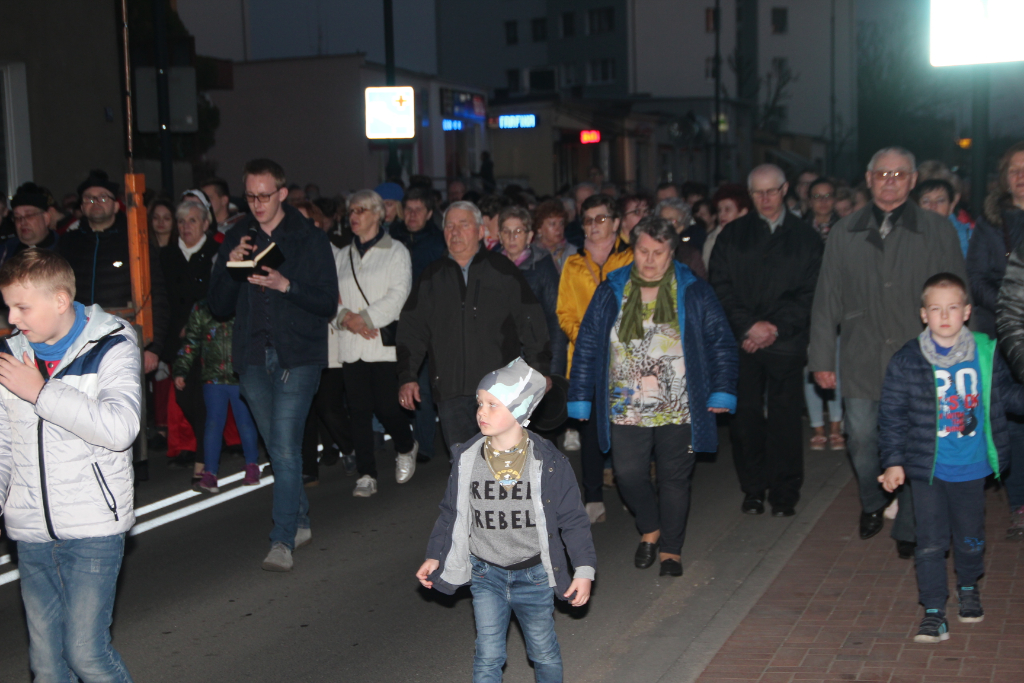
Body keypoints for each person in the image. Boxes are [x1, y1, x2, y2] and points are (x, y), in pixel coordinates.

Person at [809, 147, 969, 557]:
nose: (890, 180)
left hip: (920, 355)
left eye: (899, 173)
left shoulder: (937, 230)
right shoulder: (845, 231)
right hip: (861, 354)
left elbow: (956, 293)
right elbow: (826, 298)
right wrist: (822, 360)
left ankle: (911, 526)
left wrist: (960, 354)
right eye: (882, 173)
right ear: (869, 178)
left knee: (919, 443)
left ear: (913, 180)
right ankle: (873, 500)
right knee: (861, 438)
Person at [567, 217, 737, 576]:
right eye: (643, 251)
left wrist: (722, 389)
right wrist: (580, 396)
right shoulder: (612, 288)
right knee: (628, 475)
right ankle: (650, 525)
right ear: (634, 249)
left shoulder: (693, 290)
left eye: (658, 253)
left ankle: (670, 550)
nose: (649, 259)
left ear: (672, 252)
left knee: (674, 478)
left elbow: (720, 341)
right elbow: (587, 346)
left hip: (681, 402)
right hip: (625, 403)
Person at [0, 248, 140, 681]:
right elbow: (4, 441)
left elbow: (121, 427)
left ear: (60, 300)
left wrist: (41, 393)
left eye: (22, 307)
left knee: (86, 654)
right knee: (46, 664)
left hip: (93, 528)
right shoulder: (11, 353)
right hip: (31, 530)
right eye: (7, 306)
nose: (12, 317)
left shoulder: (112, 344)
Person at [415, 358, 595, 683]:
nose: (481, 412)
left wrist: (583, 569)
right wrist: (434, 555)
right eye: (479, 403)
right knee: (488, 655)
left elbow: (573, 520)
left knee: (543, 651)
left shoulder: (548, 462)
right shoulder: (468, 459)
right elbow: (450, 513)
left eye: (492, 405)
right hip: (486, 574)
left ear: (520, 410)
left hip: (535, 575)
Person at [208, 158, 339, 572]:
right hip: (251, 357)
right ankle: (299, 518)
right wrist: (231, 264)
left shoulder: (307, 239)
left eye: (265, 195)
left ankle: (281, 539)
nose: (258, 203)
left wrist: (287, 286)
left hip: (297, 356)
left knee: (283, 446)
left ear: (282, 193)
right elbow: (218, 306)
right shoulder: (237, 236)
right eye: (250, 196)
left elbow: (325, 302)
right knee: (280, 451)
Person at [879, 273, 1024, 642]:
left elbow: (1008, 396)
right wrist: (893, 461)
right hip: (928, 469)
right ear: (924, 315)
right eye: (936, 309)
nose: (945, 315)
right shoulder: (908, 359)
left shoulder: (986, 353)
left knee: (971, 537)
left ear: (967, 312)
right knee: (929, 541)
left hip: (972, 467)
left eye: (953, 307)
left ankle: (970, 588)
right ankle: (932, 610)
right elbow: (892, 414)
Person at [711, 164, 823, 517]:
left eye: (772, 191)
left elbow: (812, 292)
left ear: (785, 189)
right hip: (742, 343)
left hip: (785, 341)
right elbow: (720, 286)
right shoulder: (733, 235)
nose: (766, 199)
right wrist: (748, 326)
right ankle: (754, 488)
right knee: (745, 419)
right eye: (758, 192)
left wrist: (772, 327)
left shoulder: (806, 237)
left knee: (785, 419)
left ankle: (785, 491)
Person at [396, 201, 551, 457]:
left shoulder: (502, 270)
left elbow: (531, 321)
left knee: (502, 464)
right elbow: (412, 330)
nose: (454, 231)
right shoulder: (432, 276)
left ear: (480, 231)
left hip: (498, 391)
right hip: (451, 389)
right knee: (465, 465)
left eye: (463, 224)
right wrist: (407, 376)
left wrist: (541, 370)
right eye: (449, 226)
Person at [557, 194, 634, 522]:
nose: (593, 226)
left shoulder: (633, 258)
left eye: (600, 219)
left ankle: (633, 491)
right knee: (589, 431)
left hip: (627, 360)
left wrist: (616, 340)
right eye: (587, 220)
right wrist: (590, 341)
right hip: (586, 362)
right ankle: (592, 497)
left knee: (628, 429)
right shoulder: (573, 263)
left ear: (616, 223)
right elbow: (565, 312)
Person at [337, 189, 416, 497]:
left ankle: (406, 445)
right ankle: (366, 473)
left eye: (360, 211)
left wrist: (365, 319)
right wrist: (345, 317)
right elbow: (330, 295)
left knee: (387, 407)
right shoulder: (342, 255)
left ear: (377, 214)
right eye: (351, 211)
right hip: (351, 344)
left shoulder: (396, 250)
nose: (353, 216)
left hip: (381, 344)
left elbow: (399, 295)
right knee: (357, 411)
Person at [59, 170, 169, 376]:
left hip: (122, 341)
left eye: (102, 197)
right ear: (81, 206)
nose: (95, 202)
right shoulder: (68, 244)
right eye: (89, 199)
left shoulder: (135, 242)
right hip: (76, 343)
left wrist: (153, 348)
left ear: (116, 205)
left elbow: (157, 296)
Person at [977, 142, 1024, 540]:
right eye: (1015, 170)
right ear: (1004, 177)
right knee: (1012, 421)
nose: (1022, 177)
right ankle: (1020, 503)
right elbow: (975, 277)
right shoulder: (991, 223)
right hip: (1005, 336)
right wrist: (1013, 305)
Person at [161, 193, 222, 479]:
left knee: (202, 399)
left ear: (206, 223)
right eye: (182, 221)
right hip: (178, 339)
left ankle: (203, 461)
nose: (186, 227)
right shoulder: (167, 255)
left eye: (193, 221)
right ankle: (208, 446)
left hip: (208, 338)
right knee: (185, 398)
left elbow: (219, 295)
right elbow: (163, 300)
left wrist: (196, 324)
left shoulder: (215, 252)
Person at [173, 301, 261, 491]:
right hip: (213, 377)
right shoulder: (202, 308)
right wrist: (181, 370)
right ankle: (210, 473)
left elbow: (256, 335)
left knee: (245, 421)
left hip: (239, 374)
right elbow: (191, 341)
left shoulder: (244, 302)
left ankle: (252, 465)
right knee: (212, 423)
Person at [390, 186, 446, 464]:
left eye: (418, 210)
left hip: (430, 322)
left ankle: (425, 444)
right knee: (403, 380)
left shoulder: (438, 243)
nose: (411, 215)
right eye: (408, 209)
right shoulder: (393, 239)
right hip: (396, 320)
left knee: (424, 383)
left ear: (429, 213)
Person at [497, 205, 567, 376]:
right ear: (499, 236)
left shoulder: (542, 265)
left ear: (529, 236)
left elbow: (554, 318)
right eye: (506, 232)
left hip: (533, 360)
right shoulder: (491, 266)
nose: (512, 237)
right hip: (499, 361)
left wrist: (553, 370)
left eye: (518, 231)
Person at [802, 177, 845, 452]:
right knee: (812, 367)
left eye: (828, 195)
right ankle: (817, 426)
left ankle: (836, 425)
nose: (823, 201)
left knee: (838, 365)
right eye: (817, 196)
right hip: (808, 307)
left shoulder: (845, 227)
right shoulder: (800, 229)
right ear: (809, 200)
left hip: (839, 304)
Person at [0, 183, 60, 265]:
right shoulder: (5, 251)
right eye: (17, 217)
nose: (22, 222)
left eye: (29, 215)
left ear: (46, 218)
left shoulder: (65, 248)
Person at [916, 178, 972, 258]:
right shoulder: (907, 236)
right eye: (926, 201)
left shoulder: (969, 238)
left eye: (940, 201)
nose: (933, 206)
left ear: (951, 205)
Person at [654, 197, 707, 277]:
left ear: (680, 228)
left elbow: (700, 285)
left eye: (672, 221)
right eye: (662, 219)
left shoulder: (691, 255)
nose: (665, 224)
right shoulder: (646, 247)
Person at [705, 184, 752, 270]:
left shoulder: (754, 237)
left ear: (743, 212)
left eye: (727, 210)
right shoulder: (712, 239)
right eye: (719, 210)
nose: (722, 215)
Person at [531, 199, 577, 274]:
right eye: (553, 224)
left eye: (561, 223)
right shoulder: (530, 255)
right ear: (539, 228)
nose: (558, 228)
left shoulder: (573, 253)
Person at [564, 182, 597, 249]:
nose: (583, 205)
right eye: (579, 201)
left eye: (587, 201)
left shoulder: (606, 226)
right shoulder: (568, 231)